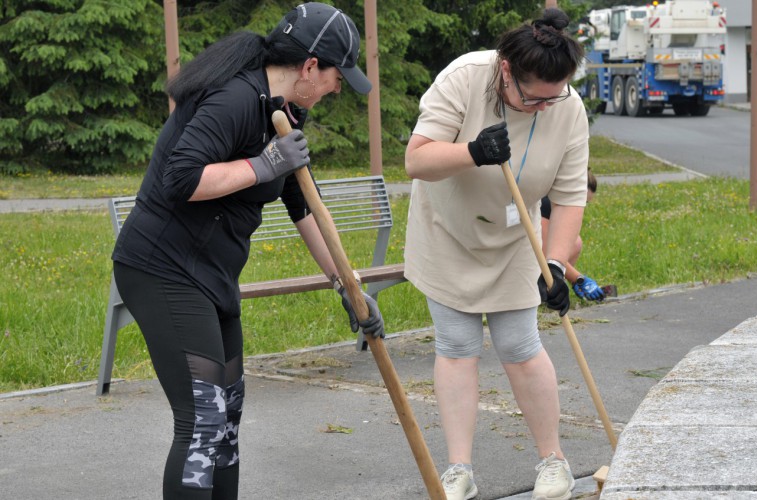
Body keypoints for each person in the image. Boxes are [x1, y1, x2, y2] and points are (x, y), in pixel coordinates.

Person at [111, 3, 383, 499]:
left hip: (213, 275)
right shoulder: (234, 99)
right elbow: (182, 179)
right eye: (336, 76)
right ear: (308, 68)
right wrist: (264, 164)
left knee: (227, 417)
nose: (338, 87)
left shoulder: (284, 111)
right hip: (162, 269)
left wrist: (350, 286)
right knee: (202, 420)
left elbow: (306, 207)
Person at [404, 8, 587, 500]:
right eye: (533, 98)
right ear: (506, 70)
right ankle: (458, 470)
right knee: (458, 346)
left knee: (520, 346)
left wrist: (553, 264)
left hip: (515, 238)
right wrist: (472, 151)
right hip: (447, 230)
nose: (544, 107)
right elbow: (416, 160)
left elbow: (569, 196)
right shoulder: (465, 77)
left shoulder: (566, 106)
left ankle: (554, 461)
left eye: (555, 97)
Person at [541, 169, 605, 302]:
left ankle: (553, 285)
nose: (581, 206)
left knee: (575, 242)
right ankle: (546, 287)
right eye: (582, 201)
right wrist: (579, 279)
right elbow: (545, 252)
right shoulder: (546, 203)